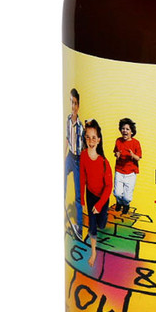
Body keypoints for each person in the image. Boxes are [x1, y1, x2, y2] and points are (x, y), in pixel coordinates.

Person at [80, 119, 113, 267]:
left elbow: (109, 187)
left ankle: (103, 216)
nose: (91, 141)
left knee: (102, 224)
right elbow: (82, 178)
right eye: (88, 137)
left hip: (103, 197)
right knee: (92, 225)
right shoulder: (83, 156)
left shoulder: (104, 162)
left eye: (94, 137)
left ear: (99, 139)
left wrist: (100, 205)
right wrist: (82, 201)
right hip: (90, 194)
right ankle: (93, 252)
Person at [65, 88, 85, 238]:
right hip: (69, 157)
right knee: (62, 179)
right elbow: (67, 138)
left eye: (75, 103)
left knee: (79, 195)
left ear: (78, 106)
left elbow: (84, 147)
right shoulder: (67, 120)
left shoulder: (80, 127)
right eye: (71, 102)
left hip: (78, 160)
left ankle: (80, 227)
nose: (73, 106)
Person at [113, 118, 142, 216]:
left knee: (127, 197)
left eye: (127, 129)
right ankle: (119, 202)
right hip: (119, 171)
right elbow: (116, 152)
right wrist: (117, 155)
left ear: (132, 132)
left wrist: (132, 155)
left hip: (130, 173)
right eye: (123, 129)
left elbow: (138, 158)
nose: (124, 131)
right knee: (117, 193)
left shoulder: (136, 143)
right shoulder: (118, 141)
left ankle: (125, 204)